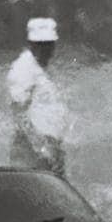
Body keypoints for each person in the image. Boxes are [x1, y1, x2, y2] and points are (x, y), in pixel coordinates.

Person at [7, 17, 68, 176]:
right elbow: (19, 113)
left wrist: (54, 148)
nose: (46, 49)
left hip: (47, 149)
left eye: (49, 44)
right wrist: (43, 148)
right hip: (31, 151)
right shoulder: (23, 68)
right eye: (41, 44)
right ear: (31, 44)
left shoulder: (42, 68)